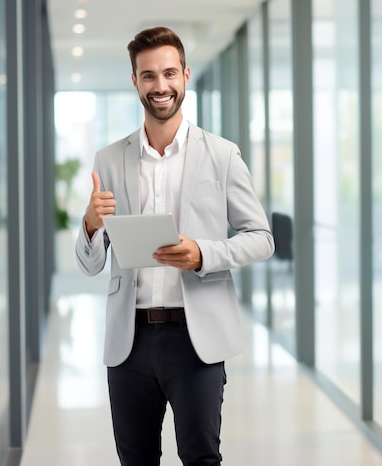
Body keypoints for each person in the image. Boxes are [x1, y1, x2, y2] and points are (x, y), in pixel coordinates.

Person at [75, 26, 274, 466]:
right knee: (136, 460)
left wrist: (204, 254)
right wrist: (90, 225)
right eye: (148, 76)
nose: (159, 86)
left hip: (195, 338)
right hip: (129, 341)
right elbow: (90, 265)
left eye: (169, 73)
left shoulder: (221, 154)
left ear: (184, 75)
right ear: (135, 82)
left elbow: (261, 239)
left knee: (202, 458)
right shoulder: (108, 160)